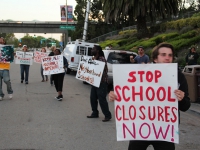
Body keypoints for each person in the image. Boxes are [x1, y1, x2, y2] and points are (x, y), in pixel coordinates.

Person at [109, 43, 191, 150]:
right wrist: (115, 96)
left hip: (165, 130)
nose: (167, 58)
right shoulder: (140, 73)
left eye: (170, 55)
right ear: (155, 59)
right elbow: (127, 94)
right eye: (163, 54)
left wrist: (182, 99)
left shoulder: (178, 76)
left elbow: (186, 106)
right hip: (140, 128)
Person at [87, 45, 112, 122]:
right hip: (94, 82)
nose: (92, 50)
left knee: (102, 99)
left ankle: (107, 115)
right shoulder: (93, 58)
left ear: (97, 51)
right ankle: (95, 113)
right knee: (93, 98)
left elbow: (98, 69)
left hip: (102, 82)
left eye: (93, 49)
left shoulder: (102, 59)